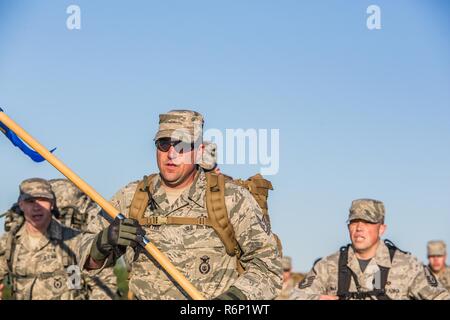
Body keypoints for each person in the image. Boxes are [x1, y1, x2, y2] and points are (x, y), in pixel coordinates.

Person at [79, 109, 282, 300]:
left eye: (182, 145)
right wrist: (102, 242)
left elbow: (268, 265)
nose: (171, 154)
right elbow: (86, 260)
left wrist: (232, 300)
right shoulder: (131, 197)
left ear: (199, 150)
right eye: (164, 144)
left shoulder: (231, 198)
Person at [291, 199, 450, 300]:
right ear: (348, 227)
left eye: (367, 222)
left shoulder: (408, 266)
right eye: (354, 222)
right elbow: (296, 296)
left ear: (382, 229)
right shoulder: (328, 265)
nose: (359, 228)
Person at [0, 178, 85, 300]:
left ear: (52, 204)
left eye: (43, 200)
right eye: (30, 201)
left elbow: (102, 280)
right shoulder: (8, 243)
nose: (37, 207)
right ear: (21, 205)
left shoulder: (74, 239)